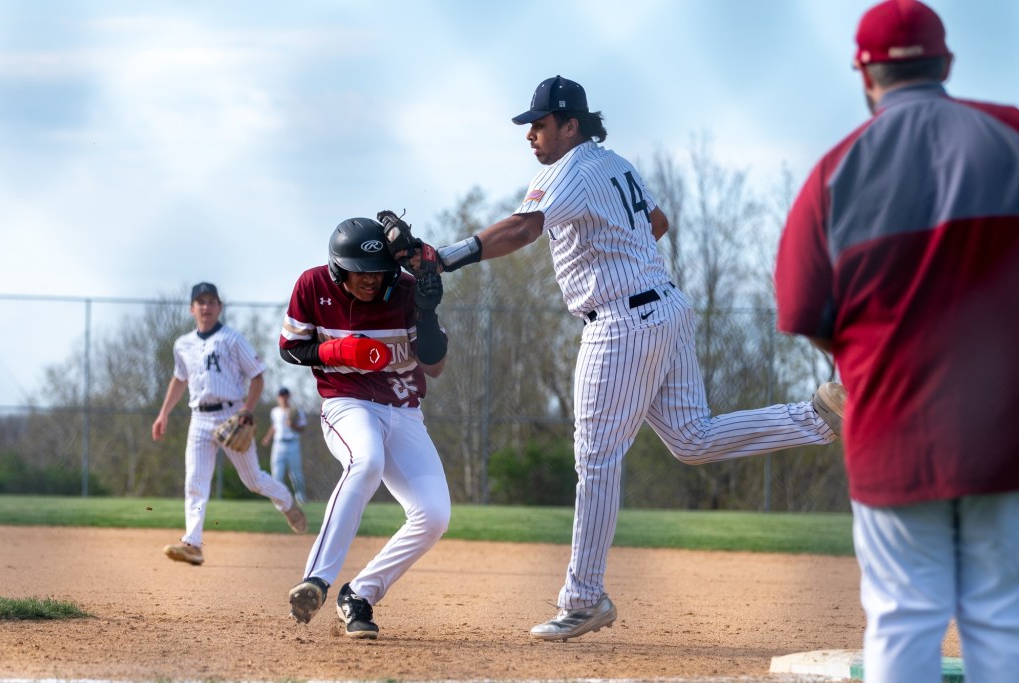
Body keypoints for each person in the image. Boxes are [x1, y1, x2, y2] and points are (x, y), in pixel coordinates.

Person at [418, 75, 847, 641]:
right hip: (665, 307)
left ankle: (583, 599)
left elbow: (523, 227)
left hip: (621, 324)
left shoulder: (567, 169)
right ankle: (816, 418)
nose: (531, 135)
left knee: (597, 459)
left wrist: (444, 257)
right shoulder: (615, 164)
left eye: (540, 124)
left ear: (570, 125)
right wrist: (622, 252)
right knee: (692, 438)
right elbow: (658, 224)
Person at [774, 1, 1019, 680]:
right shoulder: (1011, 135)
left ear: (864, 75)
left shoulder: (834, 172)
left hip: (892, 429)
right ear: (948, 63)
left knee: (903, 618)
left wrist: (861, 362)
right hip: (1006, 433)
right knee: (1004, 618)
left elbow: (801, 308)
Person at [281, 217, 451, 640]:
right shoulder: (313, 285)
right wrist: (335, 351)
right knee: (367, 460)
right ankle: (317, 579)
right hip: (347, 402)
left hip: (405, 410)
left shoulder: (407, 289)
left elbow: (434, 366)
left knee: (433, 516)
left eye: (378, 272)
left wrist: (427, 313)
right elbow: (290, 348)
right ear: (338, 269)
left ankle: (358, 595)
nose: (371, 280)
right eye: (360, 272)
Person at [152, 282, 308, 566]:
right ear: (192, 309)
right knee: (195, 480)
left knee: (253, 480)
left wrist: (247, 410)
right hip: (199, 418)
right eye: (201, 302)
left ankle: (286, 501)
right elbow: (179, 378)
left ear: (220, 307)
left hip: (232, 415)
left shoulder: (232, 339)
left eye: (212, 301)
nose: (206, 307)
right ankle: (193, 544)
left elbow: (257, 375)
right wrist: (163, 413)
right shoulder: (182, 344)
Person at [261, 387, 309, 506]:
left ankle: (300, 497)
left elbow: (302, 428)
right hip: (278, 444)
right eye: (281, 396)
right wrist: (267, 437)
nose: (283, 398)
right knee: (277, 473)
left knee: (295, 474)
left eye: (284, 395)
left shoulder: (296, 411)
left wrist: (293, 425)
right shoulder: (275, 411)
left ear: (288, 396)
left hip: (292, 443)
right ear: (278, 397)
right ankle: (280, 498)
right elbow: (274, 426)